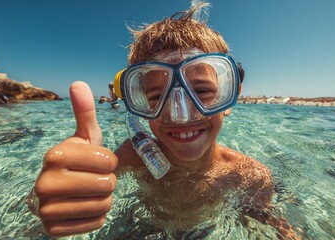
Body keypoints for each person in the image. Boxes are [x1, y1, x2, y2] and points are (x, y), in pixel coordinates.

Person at [30, 3, 300, 239]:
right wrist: (52, 194)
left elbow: (266, 225)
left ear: (230, 97)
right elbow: (73, 191)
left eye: (203, 91)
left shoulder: (249, 176)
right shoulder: (132, 156)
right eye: (156, 96)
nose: (181, 115)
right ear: (136, 102)